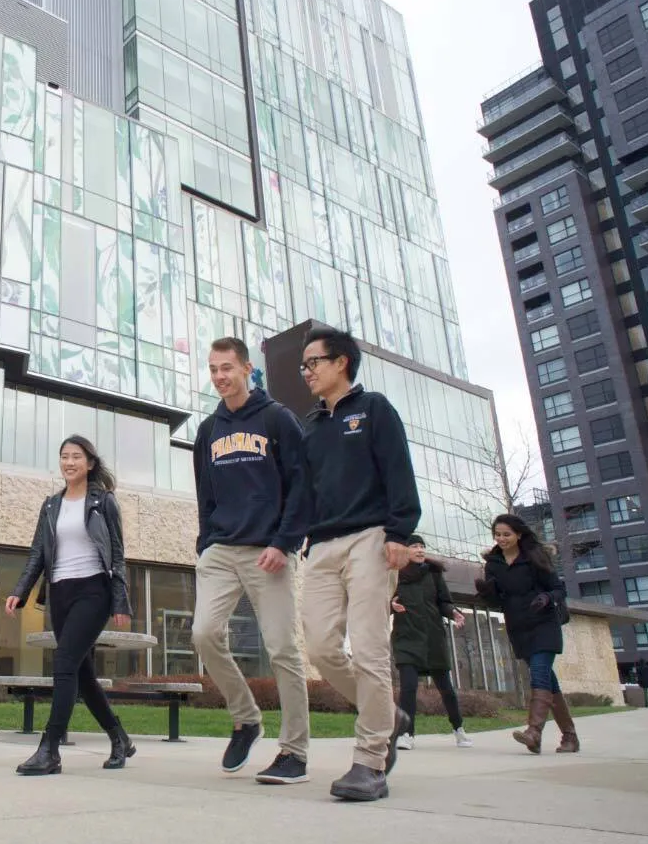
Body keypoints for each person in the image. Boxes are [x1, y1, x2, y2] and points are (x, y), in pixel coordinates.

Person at [299, 326, 418, 802]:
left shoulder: (374, 410)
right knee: (323, 649)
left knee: (369, 649)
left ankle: (370, 761)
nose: (307, 371)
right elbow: (306, 490)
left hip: (370, 539)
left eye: (314, 362)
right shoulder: (311, 426)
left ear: (341, 362)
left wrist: (398, 534)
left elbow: (398, 473)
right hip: (323, 546)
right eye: (304, 365)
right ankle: (388, 714)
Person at [190, 337, 313, 785]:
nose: (220, 376)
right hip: (222, 549)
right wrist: (206, 542)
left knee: (282, 648)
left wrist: (285, 542)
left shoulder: (277, 419)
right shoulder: (208, 430)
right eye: (212, 369)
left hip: (270, 550)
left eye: (227, 367)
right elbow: (205, 493)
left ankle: (295, 750)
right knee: (204, 634)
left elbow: (301, 485)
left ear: (246, 368)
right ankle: (246, 719)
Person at [7, 436, 134, 776]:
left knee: (63, 662)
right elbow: (38, 553)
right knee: (83, 674)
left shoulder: (103, 501)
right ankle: (119, 737)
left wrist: (120, 599)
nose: (69, 462)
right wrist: (20, 590)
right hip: (60, 593)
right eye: (64, 456)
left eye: (76, 456)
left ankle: (49, 749)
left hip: (94, 591)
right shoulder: (51, 505)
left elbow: (118, 555)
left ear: (90, 463)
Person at [475, 514, 578, 754]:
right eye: (497, 535)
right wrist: (486, 592)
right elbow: (497, 601)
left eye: (506, 534)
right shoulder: (494, 563)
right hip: (518, 626)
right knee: (549, 682)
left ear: (519, 534)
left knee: (540, 672)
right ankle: (570, 737)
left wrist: (546, 597)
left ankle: (534, 731)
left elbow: (558, 588)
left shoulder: (534, 557)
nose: (501, 539)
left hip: (543, 623)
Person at [390, 535, 472, 750]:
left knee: (446, 688)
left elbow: (444, 601)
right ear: (404, 550)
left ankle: (459, 730)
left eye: (422, 546)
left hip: (433, 637)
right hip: (406, 638)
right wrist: (391, 604)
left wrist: (454, 613)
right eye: (414, 546)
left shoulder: (433, 573)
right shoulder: (394, 574)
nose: (419, 550)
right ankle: (406, 734)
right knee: (408, 687)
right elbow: (382, 600)